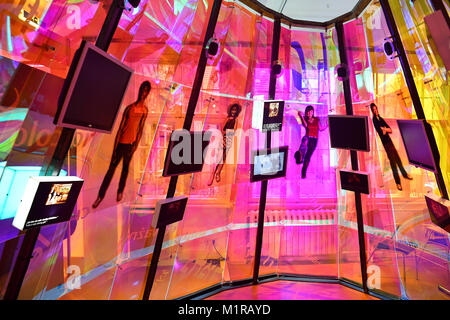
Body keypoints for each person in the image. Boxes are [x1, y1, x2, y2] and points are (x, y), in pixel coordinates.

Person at [92, 81, 150, 208]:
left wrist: (135, 145)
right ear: (139, 90)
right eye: (142, 90)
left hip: (130, 144)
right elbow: (120, 128)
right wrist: (114, 148)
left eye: (146, 91)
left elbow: (140, 129)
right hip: (121, 143)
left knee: (125, 169)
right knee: (110, 170)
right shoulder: (129, 108)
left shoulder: (145, 111)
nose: (143, 93)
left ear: (147, 93)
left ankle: (120, 192)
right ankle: (100, 196)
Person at [370, 103, 412, 191]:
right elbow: (382, 133)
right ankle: (398, 183)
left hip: (389, 141)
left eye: (376, 109)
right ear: (372, 111)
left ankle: (405, 175)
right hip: (386, 143)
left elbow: (390, 130)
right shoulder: (375, 120)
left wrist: (385, 129)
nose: (376, 111)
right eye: (374, 110)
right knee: (393, 162)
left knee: (398, 158)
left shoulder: (380, 118)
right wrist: (385, 130)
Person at [207, 103, 242, 186]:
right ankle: (214, 173)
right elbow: (222, 128)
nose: (233, 111)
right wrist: (222, 137)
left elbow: (234, 130)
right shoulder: (227, 118)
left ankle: (217, 173)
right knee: (217, 156)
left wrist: (227, 138)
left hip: (228, 138)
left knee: (223, 157)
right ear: (230, 110)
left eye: (235, 110)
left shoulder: (236, 119)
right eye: (233, 110)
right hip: (222, 137)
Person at [294, 105, 327, 179]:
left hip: (314, 140)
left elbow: (321, 128)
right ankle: (299, 156)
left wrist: (327, 124)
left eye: (311, 112)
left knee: (308, 156)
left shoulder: (316, 119)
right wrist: (301, 116)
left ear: (313, 112)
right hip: (307, 138)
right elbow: (305, 125)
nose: (310, 113)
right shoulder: (306, 120)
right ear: (306, 113)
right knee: (305, 141)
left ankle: (303, 170)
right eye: (308, 112)